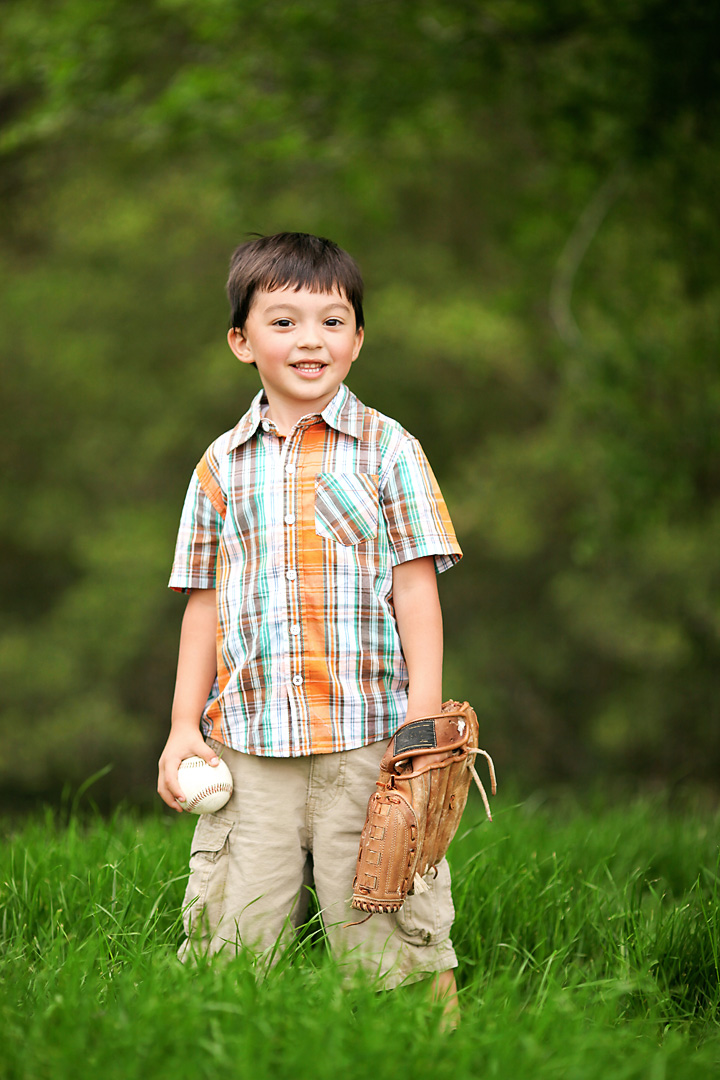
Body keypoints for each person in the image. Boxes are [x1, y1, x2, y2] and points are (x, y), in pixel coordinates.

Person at [157, 232, 463, 1010]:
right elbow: (204, 602)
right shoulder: (220, 466)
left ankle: (436, 1050)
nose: (311, 340)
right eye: (284, 321)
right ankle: (227, 1044)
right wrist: (183, 725)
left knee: (390, 916)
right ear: (241, 341)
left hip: (367, 738)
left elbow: (416, 590)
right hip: (250, 742)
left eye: (332, 322)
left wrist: (423, 714)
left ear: (357, 340)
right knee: (232, 934)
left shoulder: (389, 450)